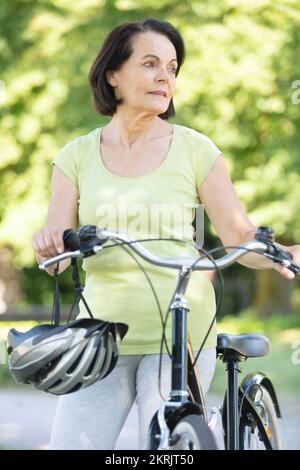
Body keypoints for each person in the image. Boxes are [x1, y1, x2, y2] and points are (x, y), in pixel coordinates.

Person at [32, 19, 300, 450]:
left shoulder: (196, 150)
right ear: (113, 74)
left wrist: (282, 253)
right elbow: (59, 250)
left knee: (163, 449)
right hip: (101, 337)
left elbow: (239, 237)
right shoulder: (75, 156)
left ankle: (197, 435)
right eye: (151, 63)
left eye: (172, 68)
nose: (165, 77)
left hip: (179, 332)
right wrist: (51, 243)